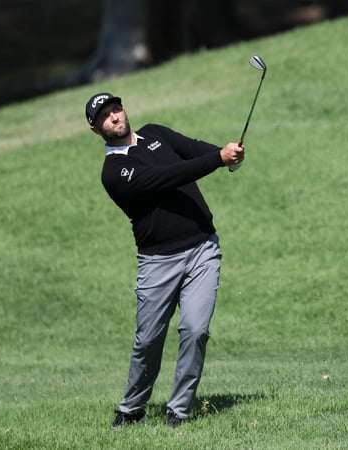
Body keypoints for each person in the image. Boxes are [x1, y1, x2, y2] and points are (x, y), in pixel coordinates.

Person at [84, 92, 245, 428]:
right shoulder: (113, 171)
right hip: (158, 262)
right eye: (105, 116)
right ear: (96, 129)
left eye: (116, 108)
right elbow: (166, 179)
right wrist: (217, 158)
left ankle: (179, 410)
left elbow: (195, 148)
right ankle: (132, 407)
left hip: (203, 249)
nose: (114, 116)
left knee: (195, 329)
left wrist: (229, 156)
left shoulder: (156, 133)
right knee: (149, 339)